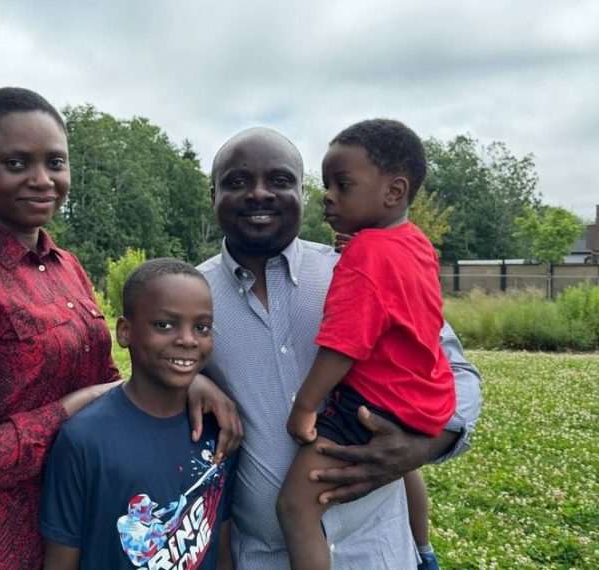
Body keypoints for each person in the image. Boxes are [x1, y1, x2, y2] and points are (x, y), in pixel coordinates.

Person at [0, 88, 242, 569]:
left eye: (55, 163)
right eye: (16, 164)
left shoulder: (66, 268)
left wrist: (190, 382)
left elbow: (110, 383)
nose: (42, 181)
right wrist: (70, 408)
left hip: (73, 530)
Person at [198, 127, 482, 569]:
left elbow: (454, 368)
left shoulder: (360, 267)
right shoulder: (187, 297)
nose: (258, 194)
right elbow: (154, 383)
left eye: (279, 180)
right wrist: (194, 383)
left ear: (302, 193)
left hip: (382, 552)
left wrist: (423, 445)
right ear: (212, 193)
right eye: (236, 182)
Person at [275, 119, 454, 570]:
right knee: (400, 462)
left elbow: (342, 345)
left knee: (295, 508)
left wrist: (305, 406)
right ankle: (424, 550)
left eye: (343, 185)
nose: (328, 196)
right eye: (325, 184)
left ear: (393, 191)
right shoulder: (414, 244)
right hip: (423, 399)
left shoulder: (365, 254)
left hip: (376, 400)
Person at [41, 259, 237, 570]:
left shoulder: (218, 430)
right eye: (165, 325)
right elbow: (61, 561)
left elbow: (220, 549)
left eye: (201, 327)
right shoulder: (83, 440)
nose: (188, 339)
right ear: (125, 332)